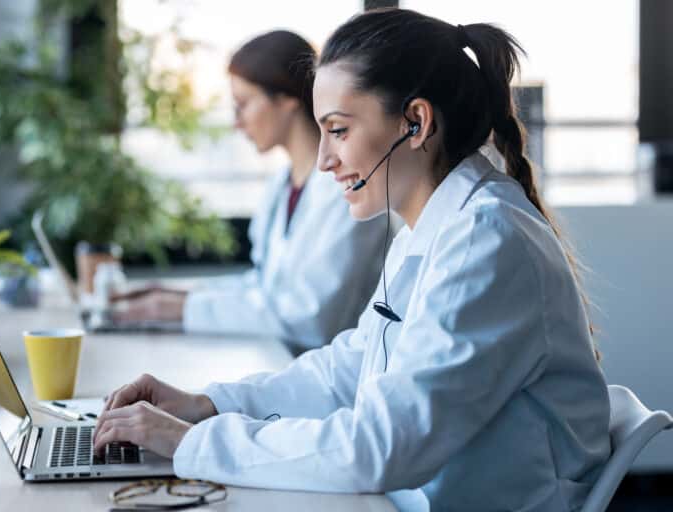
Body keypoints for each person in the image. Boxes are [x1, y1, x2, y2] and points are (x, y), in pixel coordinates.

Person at [95, 10, 610, 511]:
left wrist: (192, 444)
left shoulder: (485, 240)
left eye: (338, 130)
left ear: (415, 122)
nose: (323, 160)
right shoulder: (429, 224)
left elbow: (380, 449)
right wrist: (207, 404)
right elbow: (349, 369)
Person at [112, 30, 387, 352]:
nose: (236, 123)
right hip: (277, 359)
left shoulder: (350, 191)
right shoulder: (281, 187)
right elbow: (263, 285)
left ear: (286, 99)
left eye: (243, 105)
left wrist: (180, 309)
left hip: (325, 376)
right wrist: (176, 295)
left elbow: (310, 318)